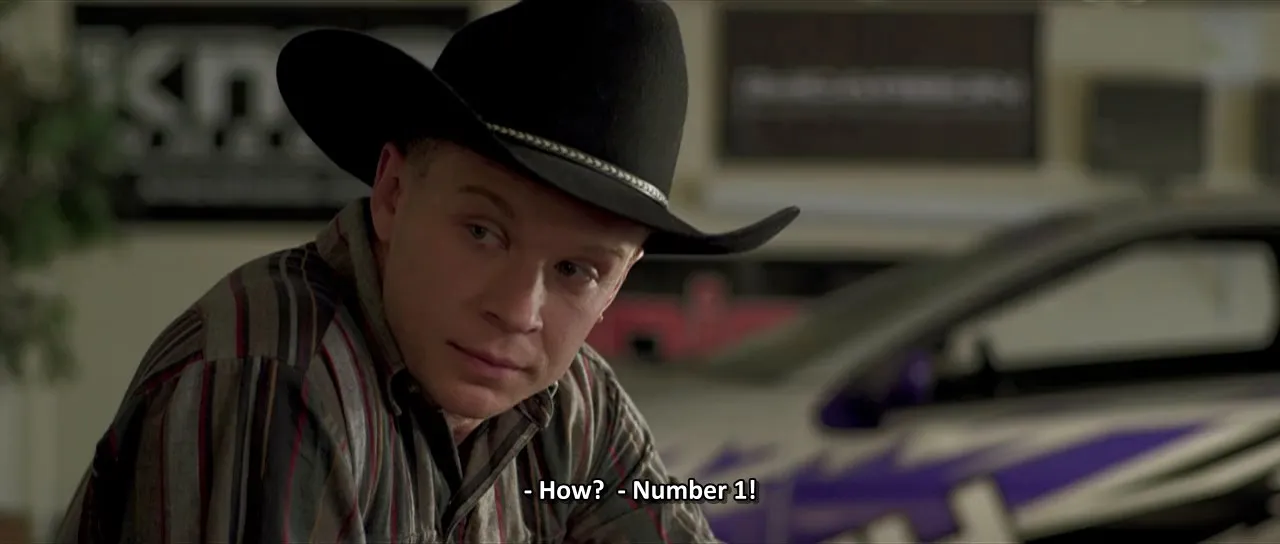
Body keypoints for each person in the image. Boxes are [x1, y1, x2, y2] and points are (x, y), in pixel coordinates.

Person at [57, 0, 799, 542]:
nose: (518, 310)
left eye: (576, 270)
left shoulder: (578, 408)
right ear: (393, 192)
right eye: (482, 232)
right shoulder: (277, 382)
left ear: (618, 284)